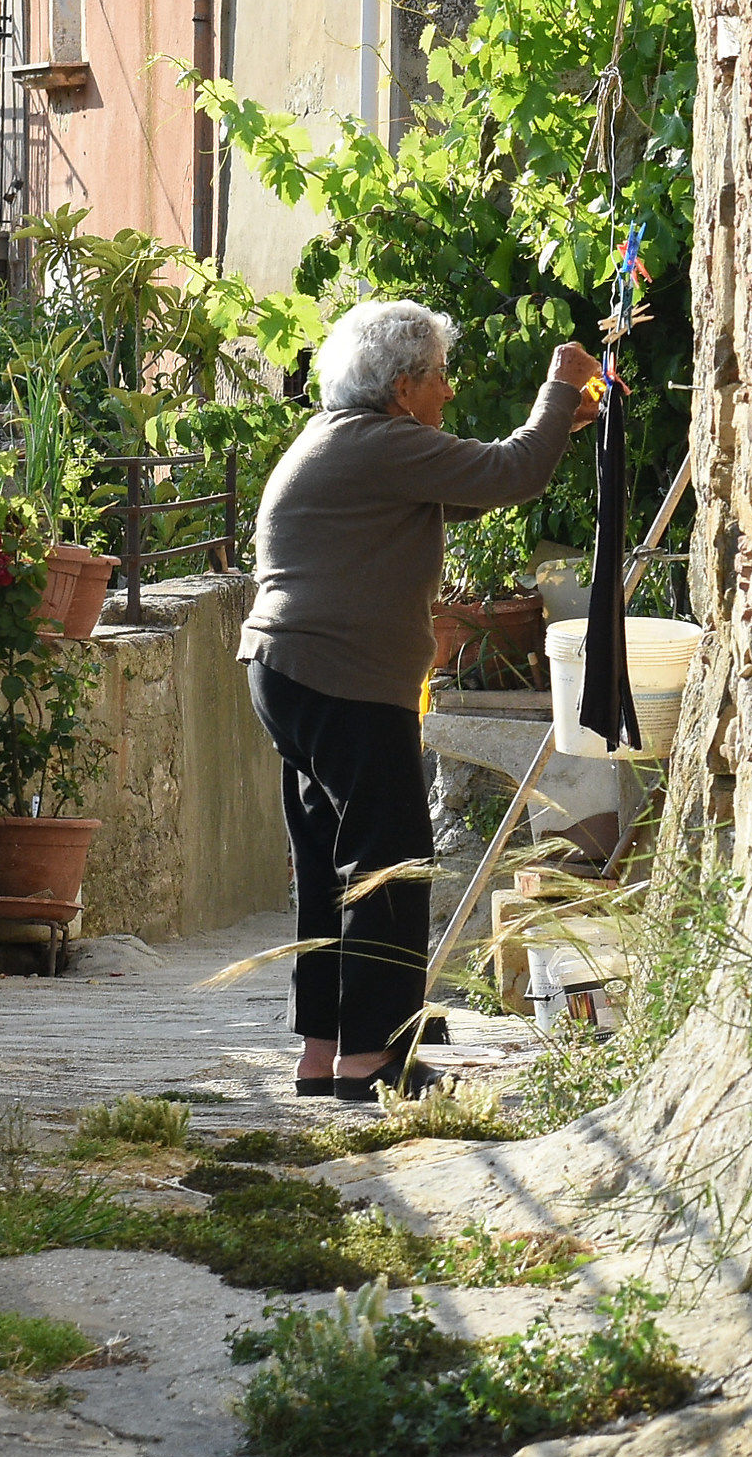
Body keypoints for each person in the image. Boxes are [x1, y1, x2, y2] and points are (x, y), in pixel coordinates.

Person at [240, 300, 603, 1102]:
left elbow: (478, 485)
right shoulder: (380, 444)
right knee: (389, 861)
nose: (449, 392)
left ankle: (326, 1046)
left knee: (330, 865)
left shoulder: (349, 442)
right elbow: (507, 473)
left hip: (290, 670)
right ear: (404, 387)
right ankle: (375, 1055)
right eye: (441, 378)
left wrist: (553, 430)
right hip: (342, 678)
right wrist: (558, 386)